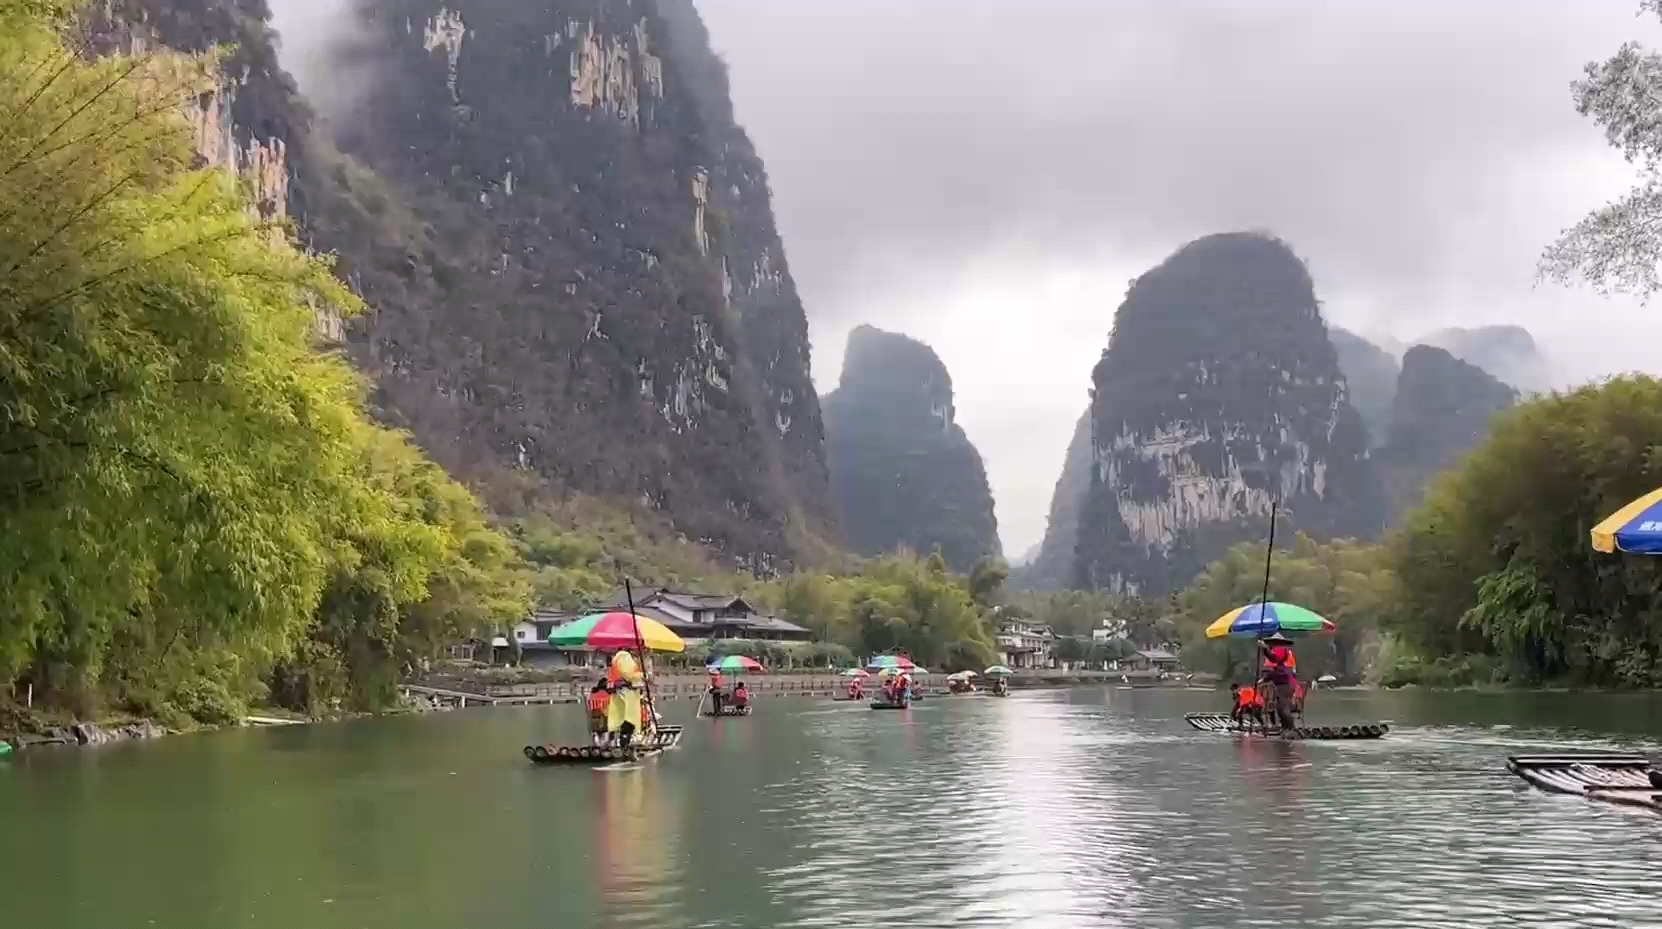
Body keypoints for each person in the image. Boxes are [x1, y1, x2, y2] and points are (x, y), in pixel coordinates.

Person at [1259, 634, 1298, 732]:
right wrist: (1264, 649)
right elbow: (1272, 659)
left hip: (1286, 682)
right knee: (1279, 707)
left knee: (1283, 707)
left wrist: (1265, 648)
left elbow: (1274, 659)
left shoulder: (1281, 649)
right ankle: (1285, 727)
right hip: (1282, 683)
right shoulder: (1278, 650)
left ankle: (1291, 728)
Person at [588, 679, 612, 747]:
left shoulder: (592, 694)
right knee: (605, 735)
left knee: (596, 733)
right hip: (604, 717)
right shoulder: (607, 695)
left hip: (593, 716)